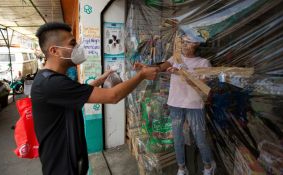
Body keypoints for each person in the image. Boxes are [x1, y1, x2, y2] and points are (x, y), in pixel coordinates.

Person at [31, 22, 159, 175]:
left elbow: (77, 92)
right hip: (63, 167)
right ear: (54, 51)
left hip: (67, 162)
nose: (78, 47)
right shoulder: (52, 83)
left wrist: (100, 79)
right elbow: (113, 96)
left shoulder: (49, 78)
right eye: (73, 43)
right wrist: (142, 75)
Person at [135, 34, 215, 175]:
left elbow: (203, 86)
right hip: (176, 104)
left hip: (194, 106)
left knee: (200, 139)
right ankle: (181, 167)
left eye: (188, 42)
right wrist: (145, 67)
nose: (184, 45)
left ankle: (208, 166)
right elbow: (160, 67)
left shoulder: (204, 63)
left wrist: (181, 73)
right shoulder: (175, 59)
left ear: (196, 45)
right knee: (177, 138)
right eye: (183, 42)